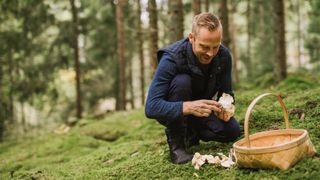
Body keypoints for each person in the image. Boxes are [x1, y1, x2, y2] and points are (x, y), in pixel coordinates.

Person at [145, 12, 240, 164]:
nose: (210, 53)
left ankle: (191, 133)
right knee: (182, 81)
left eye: (215, 47)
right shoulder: (171, 58)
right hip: (176, 108)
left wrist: (226, 109)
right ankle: (178, 147)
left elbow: (227, 93)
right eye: (204, 46)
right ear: (191, 38)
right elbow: (151, 107)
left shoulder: (223, 56)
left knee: (232, 131)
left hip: (202, 111)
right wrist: (187, 107)